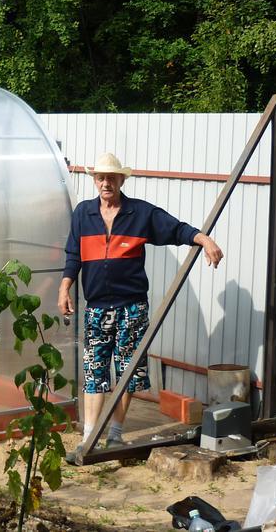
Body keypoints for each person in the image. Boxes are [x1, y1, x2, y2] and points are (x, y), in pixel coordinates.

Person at [58, 153, 223, 463]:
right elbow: (73, 255)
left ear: (122, 180)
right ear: (95, 181)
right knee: (94, 373)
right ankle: (88, 438)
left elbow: (176, 229)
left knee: (127, 373)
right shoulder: (83, 214)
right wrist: (64, 286)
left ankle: (115, 436)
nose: (106, 183)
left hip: (132, 309)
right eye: (101, 177)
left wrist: (204, 240)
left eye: (112, 177)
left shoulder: (139, 213)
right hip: (96, 309)